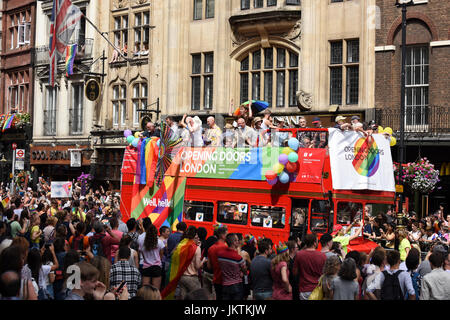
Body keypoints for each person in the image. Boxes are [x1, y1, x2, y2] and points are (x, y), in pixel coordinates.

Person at [293, 233, 326, 300]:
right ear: (314, 243)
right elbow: (325, 273)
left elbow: (295, 272)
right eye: (317, 241)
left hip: (304, 290)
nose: (318, 243)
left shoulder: (299, 254)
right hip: (318, 289)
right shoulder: (322, 255)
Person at [217, 233, 247, 300]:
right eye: (237, 240)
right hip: (236, 285)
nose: (238, 242)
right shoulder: (238, 257)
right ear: (234, 242)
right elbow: (245, 271)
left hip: (225, 285)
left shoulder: (220, 255)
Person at [176, 226, 203, 300]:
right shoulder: (197, 248)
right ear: (193, 237)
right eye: (196, 237)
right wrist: (204, 261)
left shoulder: (181, 246)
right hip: (192, 277)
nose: (198, 239)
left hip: (182, 277)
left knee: (184, 298)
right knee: (198, 297)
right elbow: (197, 266)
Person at [139, 224, 165, 289]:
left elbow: (142, 253)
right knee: (155, 289)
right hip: (157, 267)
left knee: (144, 290)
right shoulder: (160, 242)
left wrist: (147, 260)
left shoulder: (142, 242)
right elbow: (161, 255)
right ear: (156, 232)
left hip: (146, 266)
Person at [207, 224, 228, 300]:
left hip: (216, 279)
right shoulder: (226, 248)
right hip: (226, 280)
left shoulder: (211, 248)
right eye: (226, 234)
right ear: (222, 235)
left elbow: (209, 266)